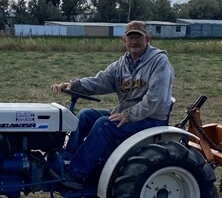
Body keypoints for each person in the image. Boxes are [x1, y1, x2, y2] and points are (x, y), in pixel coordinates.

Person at [50, 20, 175, 189]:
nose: (134, 41)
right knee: (86, 114)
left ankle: (77, 174)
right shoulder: (122, 64)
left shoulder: (159, 62)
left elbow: (155, 99)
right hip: (127, 114)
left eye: (139, 37)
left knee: (104, 125)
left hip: (151, 118)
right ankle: (66, 159)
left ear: (148, 38)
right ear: (124, 41)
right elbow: (100, 81)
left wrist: (128, 115)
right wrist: (74, 85)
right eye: (130, 38)